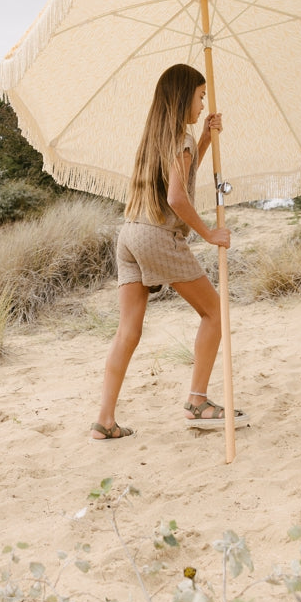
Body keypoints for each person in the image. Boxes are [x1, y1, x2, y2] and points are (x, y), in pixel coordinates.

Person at [92, 63, 247, 441]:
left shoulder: (154, 139)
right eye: (200, 96)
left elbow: (179, 176)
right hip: (157, 236)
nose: (203, 102)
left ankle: (104, 421)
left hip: (128, 234)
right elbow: (177, 197)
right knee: (215, 312)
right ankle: (198, 401)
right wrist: (209, 233)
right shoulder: (182, 139)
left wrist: (207, 139)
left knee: (127, 330)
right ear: (183, 98)